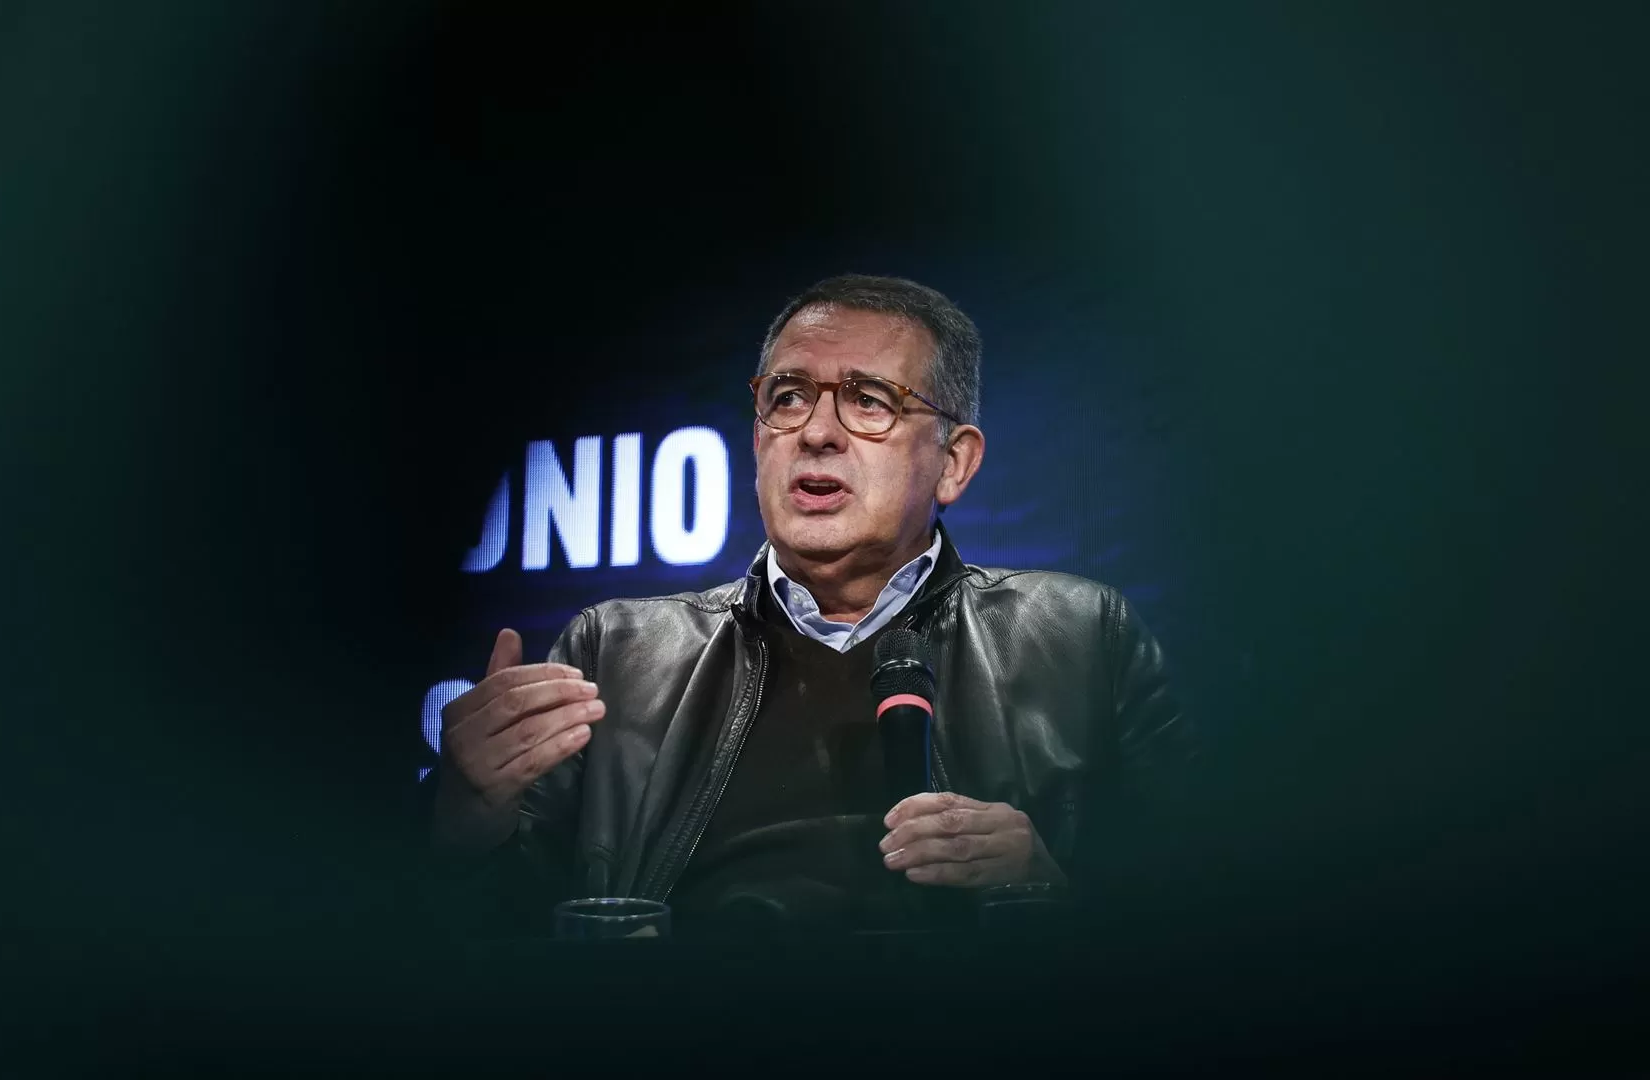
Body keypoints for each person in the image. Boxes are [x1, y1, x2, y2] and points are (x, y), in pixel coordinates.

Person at [425, 274, 1192, 935]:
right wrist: (464, 824)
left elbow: (1203, 920)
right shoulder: (615, 650)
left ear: (953, 462)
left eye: (870, 400)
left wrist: (1045, 889)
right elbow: (500, 937)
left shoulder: (1083, 636)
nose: (817, 432)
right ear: (759, 439)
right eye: (787, 397)